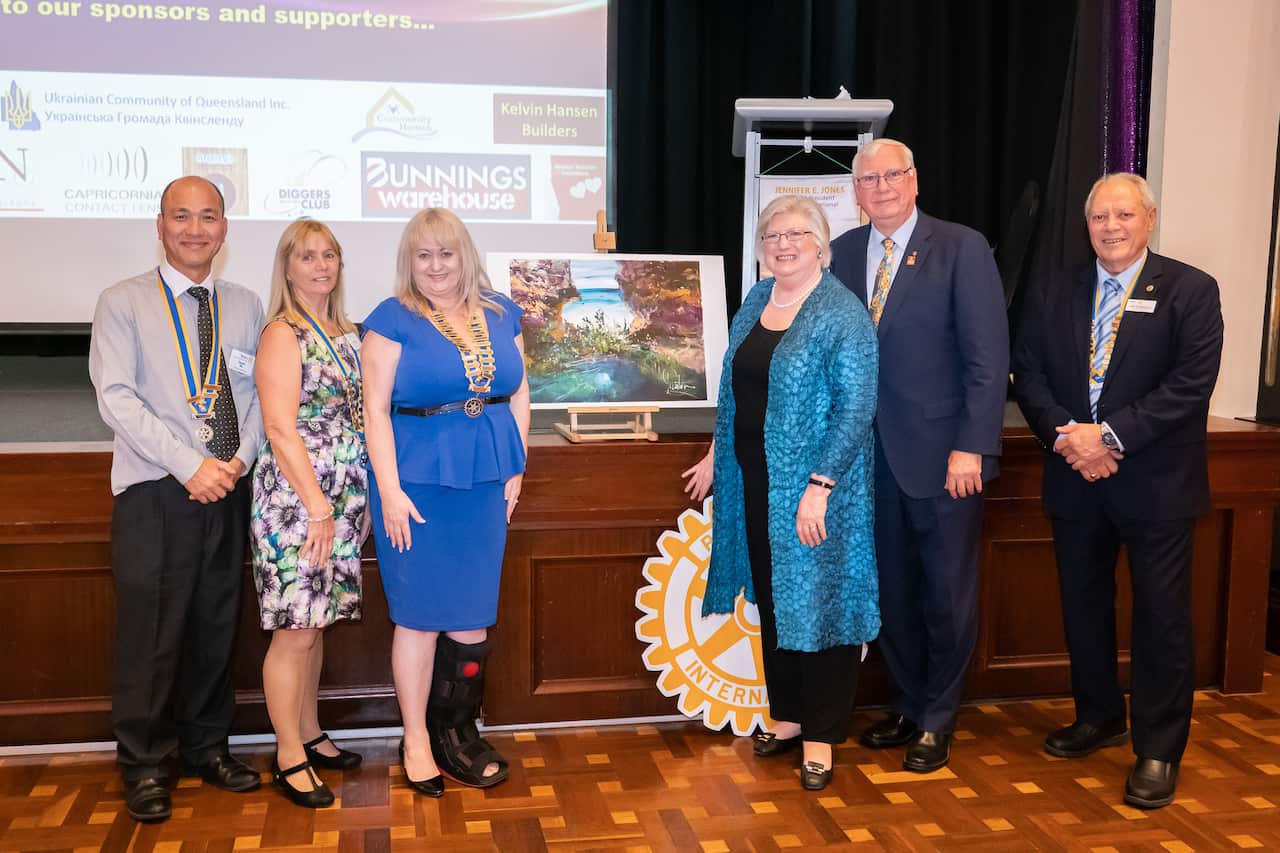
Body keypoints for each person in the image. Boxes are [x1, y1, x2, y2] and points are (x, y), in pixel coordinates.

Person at [1011, 173, 1223, 809]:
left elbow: (1191, 386)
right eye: (1100, 217)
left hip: (1156, 483)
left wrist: (1108, 437)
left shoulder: (1191, 289)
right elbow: (1030, 373)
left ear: (1149, 219)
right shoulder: (1055, 289)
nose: (1111, 227)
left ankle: (1158, 749)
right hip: (1076, 479)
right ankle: (1099, 715)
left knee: (1161, 619)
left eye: (1124, 215)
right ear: (1087, 225)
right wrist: (1069, 440)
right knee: (1083, 607)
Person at [684, 195, 879, 792]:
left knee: (821, 606)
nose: (783, 243)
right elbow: (739, 389)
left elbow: (856, 408)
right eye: (772, 235)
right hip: (753, 483)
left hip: (819, 490)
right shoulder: (753, 302)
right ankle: (789, 717)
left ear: (821, 243)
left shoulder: (842, 312)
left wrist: (820, 486)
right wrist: (717, 455)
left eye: (796, 233)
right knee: (774, 601)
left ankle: (820, 739)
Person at [829, 138, 1009, 773]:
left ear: (914, 180)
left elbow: (988, 361)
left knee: (946, 592)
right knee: (894, 590)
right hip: (864, 461)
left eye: (892, 175)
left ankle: (939, 716)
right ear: (854, 192)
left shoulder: (961, 248)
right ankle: (905, 703)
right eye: (867, 179)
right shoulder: (844, 253)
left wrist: (972, 446)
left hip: (942, 458)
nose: (880, 187)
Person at [88, 176, 264, 823]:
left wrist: (237, 460)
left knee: (217, 623)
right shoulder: (123, 302)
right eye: (181, 216)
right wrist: (191, 463)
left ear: (224, 228)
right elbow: (117, 398)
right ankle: (143, 760)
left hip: (228, 483)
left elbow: (254, 395)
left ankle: (206, 746)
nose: (195, 228)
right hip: (156, 489)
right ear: (159, 226)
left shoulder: (245, 305)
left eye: (208, 216)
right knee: (152, 635)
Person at [362, 207, 530, 795]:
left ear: (465, 254)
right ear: (410, 261)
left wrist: (517, 467)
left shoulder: (501, 311)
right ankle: (415, 738)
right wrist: (389, 492)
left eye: (446, 253)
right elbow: (374, 410)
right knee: (419, 617)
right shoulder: (391, 319)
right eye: (423, 255)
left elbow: (518, 392)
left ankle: (457, 733)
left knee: (472, 617)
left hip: (486, 479)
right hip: (416, 485)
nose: (435, 266)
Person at [250, 220, 370, 808]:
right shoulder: (282, 333)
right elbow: (278, 427)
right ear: (287, 267)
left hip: (341, 499)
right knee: (294, 628)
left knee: (316, 623)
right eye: (307, 257)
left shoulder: (346, 333)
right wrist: (320, 508)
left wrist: (351, 502)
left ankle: (311, 731)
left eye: (330, 255)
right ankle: (287, 754)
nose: (321, 266)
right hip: (297, 504)